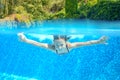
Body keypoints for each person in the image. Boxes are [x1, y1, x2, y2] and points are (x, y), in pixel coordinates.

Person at [18, 33, 108, 55]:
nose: (59, 47)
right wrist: (25, 40)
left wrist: (99, 41)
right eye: (57, 45)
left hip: (67, 47)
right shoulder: (53, 48)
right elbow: (38, 44)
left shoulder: (70, 46)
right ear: (53, 43)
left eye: (61, 45)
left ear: (65, 43)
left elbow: (86, 43)